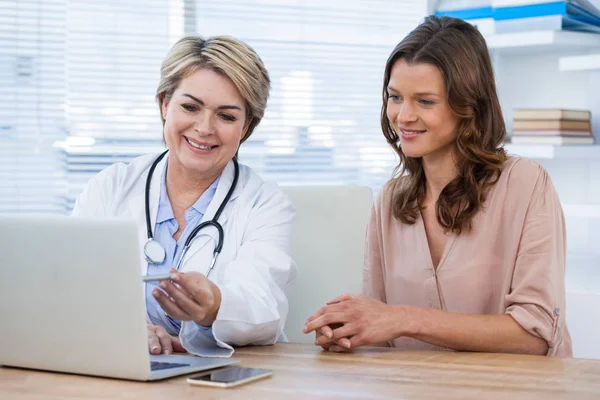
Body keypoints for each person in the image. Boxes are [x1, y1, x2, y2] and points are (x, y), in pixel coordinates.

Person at [303, 15, 571, 356]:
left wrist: (403, 319)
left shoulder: (525, 183)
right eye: (395, 97)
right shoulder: (390, 201)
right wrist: (350, 333)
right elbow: (383, 336)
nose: (403, 116)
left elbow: (535, 336)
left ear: (469, 106)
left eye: (425, 101)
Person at [72, 36, 297, 357]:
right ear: (165, 104)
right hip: (121, 365)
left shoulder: (266, 204)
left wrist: (214, 304)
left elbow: (264, 308)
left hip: (220, 374)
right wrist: (126, 330)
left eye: (227, 116)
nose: (204, 128)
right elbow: (71, 292)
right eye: (190, 107)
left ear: (247, 127)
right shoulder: (111, 187)